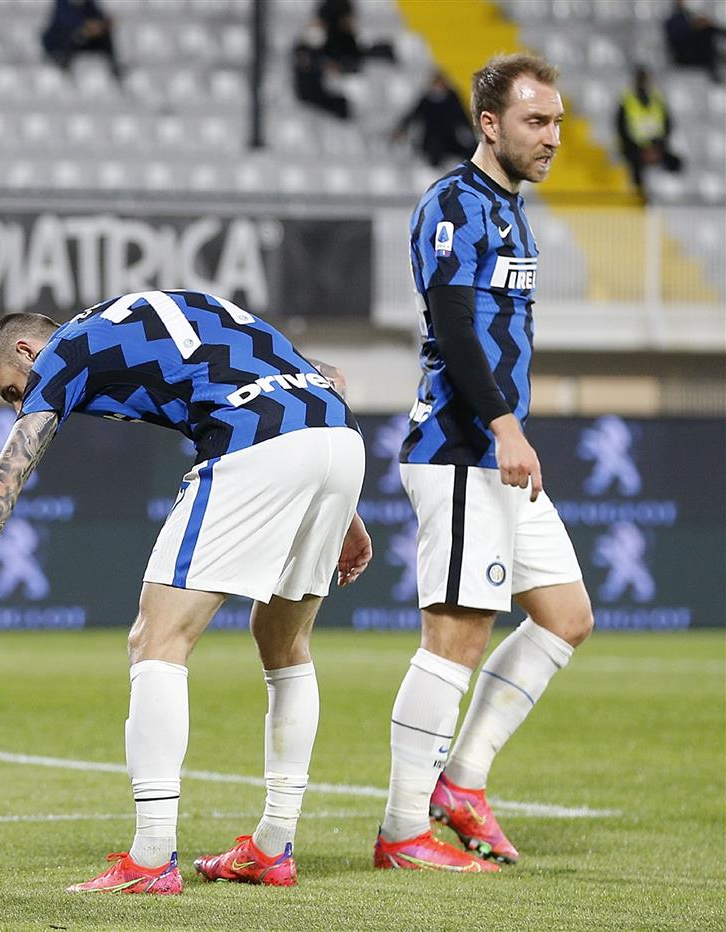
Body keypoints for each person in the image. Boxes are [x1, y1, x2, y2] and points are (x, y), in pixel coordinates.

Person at [0, 290, 372, 894]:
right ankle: (274, 847)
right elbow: (327, 375)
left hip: (254, 436)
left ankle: (151, 857)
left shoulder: (63, 352)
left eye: (11, 389)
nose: (20, 402)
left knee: (157, 639)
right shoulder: (142, 316)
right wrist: (342, 506)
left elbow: (4, 481)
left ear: (25, 348)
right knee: (284, 640)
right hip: (336, 432)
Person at [377, 53, 594, 873]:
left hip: (498, 453)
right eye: (537, 122)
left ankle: (460, 785)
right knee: (456, 637)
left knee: (567, 615)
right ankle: (402, 832)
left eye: (560, 122)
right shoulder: (453, 205)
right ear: (491, 125)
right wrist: (505, 424)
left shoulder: (509, 209)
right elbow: (455, 325)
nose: (553, 138)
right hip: (463, 449)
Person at [616, 66, 684, 201]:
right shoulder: (627, 101)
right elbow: (621, 129)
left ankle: (673, 197)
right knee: (634, 168)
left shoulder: (658, 99)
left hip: (657, 147)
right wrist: (642, 149)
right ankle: (641, 200)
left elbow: (668, 125)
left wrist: (657, 147)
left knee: (676, 162)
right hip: (635, 149)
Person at [391, 72, 475, 168]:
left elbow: (463, 118)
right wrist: (400, 130)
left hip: (450, 139)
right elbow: (413, 116)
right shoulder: (426, 100)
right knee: (434, 159)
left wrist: (473, 133)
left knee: (470, 152)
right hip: (431, 141)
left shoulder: (452, 99)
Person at [41, 0, 124, 84]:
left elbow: (97, 15)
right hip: (64, 41)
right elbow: (64, 18)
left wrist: (102, 24)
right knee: (76, 34)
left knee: (104, 35)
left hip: (86, 39)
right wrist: (86, 25)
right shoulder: (62, 2)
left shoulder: (88, 3)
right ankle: (63, 61)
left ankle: (114, 67)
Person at [292, 21, 350, 120]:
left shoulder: (319, 51)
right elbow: (306, 63)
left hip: (318, 92)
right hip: (308, 96)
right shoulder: (301, 50)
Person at [665, 0, 724, 83]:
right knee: (708, 31)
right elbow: (680, 39)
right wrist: (696, 27)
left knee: (709, 31)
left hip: (691, 52)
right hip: (684, 56)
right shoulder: (674, 20)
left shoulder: (687, 16)